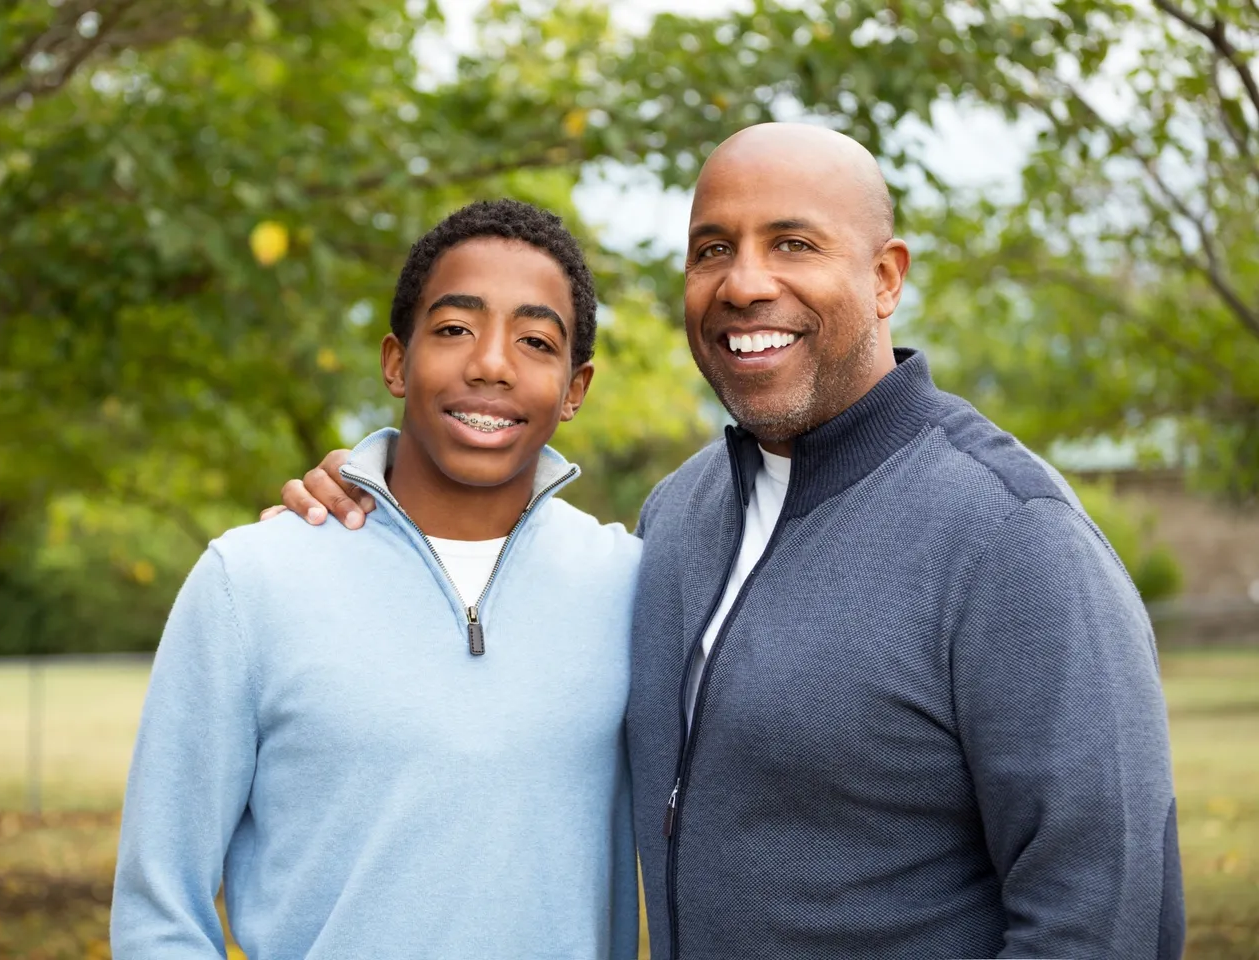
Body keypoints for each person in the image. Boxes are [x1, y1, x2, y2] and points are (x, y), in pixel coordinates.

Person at [269, 123, 1184, 959]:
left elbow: (1100, 921)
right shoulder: (676, 518)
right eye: (713, 250)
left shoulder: (1013, 541)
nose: (744, 282)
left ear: (886, 277)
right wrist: (365, 514)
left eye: (793, 243)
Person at [112, 199, 641, 960]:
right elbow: (158, 912)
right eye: (455, 328)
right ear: (397, 361)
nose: (490, 363)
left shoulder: (633, 585)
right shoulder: (251, 579)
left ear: (574, 387)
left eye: (534, 340)